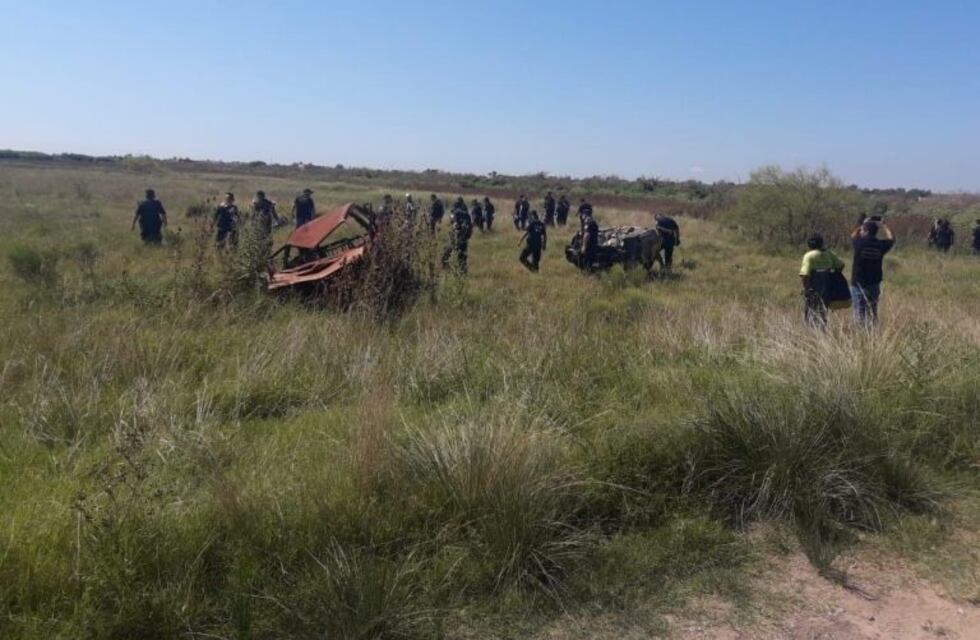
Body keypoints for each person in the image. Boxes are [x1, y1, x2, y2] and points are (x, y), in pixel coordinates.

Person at [851, 218, 895, 327]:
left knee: (859, 311)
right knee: (872, 311)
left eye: (862, 230)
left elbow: (853, 235)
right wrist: (884, 225)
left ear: (865, 231)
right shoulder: (880, 245)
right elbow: (891, 238)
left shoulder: (859, 243)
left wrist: (862, 224)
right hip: (874, 284)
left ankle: (860, 335)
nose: (861, 232)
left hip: (858, 283)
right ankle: (871, 335)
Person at [799, 233, 845, 327]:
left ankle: (812, 333)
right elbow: (841, 265)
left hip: (814, 288)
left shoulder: (809, 256)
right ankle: (822, 331)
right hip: (827, 288)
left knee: (810, 312)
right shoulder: (829, 253)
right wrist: (832, 275)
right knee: (823, 311)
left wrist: (807, 290)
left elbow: (805, 275)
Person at [442, 199, 473, 272]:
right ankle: (463, 272)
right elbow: (470, 228)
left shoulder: (456, 213)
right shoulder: (467, 214)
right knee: (462, 257)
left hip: (456, 237)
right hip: (464, 239)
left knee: (445, 255)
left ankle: (446, 269)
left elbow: (455, 225)